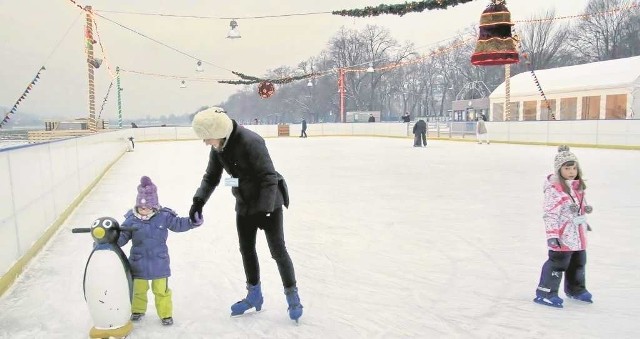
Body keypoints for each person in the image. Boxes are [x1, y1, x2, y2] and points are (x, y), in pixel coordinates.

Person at [189, 107, 303, 322]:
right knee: (246, 250)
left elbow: (269, 177)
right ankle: (254, 295)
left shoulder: (251, 141)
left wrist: (266, 210)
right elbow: (211, 177)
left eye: (207, 137)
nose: (205, 142)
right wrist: (198, 201)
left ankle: (292, 296)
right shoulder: (218, 147)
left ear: (218, 130)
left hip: (269, 202)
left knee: (278, 251)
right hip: (244, 203)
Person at [117, 176, 203, 326]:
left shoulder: (163, 216)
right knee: (138, 289)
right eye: (141, 207)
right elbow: (122, 236)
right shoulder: (131, 219)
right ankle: (137, 310)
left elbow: (178, 224)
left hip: (159, 262)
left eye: (147, 207)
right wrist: (111, 240)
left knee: (161, 291)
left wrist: (191, 222)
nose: (143, 210)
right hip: (138, 263)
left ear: (154, 206)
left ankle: (165, 314)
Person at [533, 146, 594, 308]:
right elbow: (550, 214)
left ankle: (576, 289)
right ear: (559, 170)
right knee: (558, 262)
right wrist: (552, 235)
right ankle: (546, 291)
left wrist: (583, 221)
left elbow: (578, 206)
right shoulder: (555, 190)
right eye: (567, 168)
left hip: (577, 234)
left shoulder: (576, 186)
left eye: (574, 168)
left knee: (579, 261)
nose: (571, 171)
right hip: (562, 235)